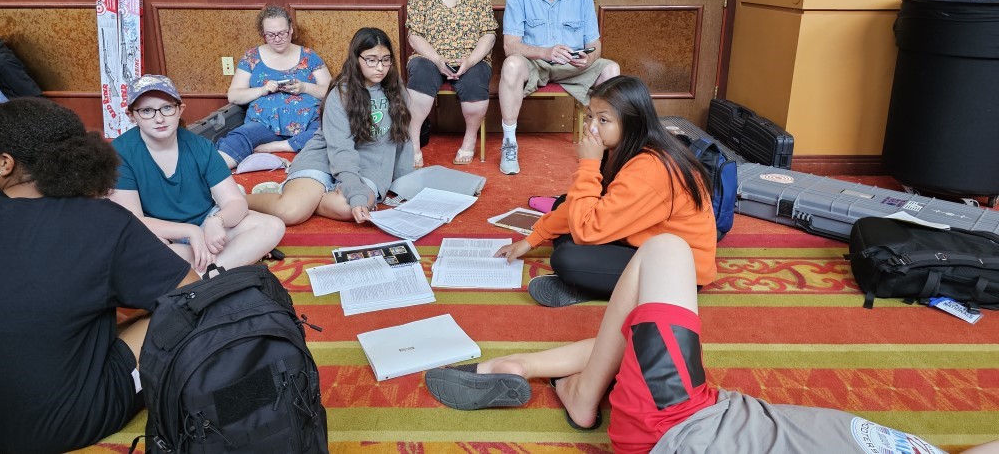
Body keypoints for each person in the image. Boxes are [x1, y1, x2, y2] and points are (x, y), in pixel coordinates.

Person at [426, 234, 998, 454]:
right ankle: (539, 370)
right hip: (705, 407)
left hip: (681, 422)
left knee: (664, 252)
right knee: (627, 333)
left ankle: (574, 395)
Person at [0, 98, 200, 453]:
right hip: (59, 423)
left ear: (5, 163)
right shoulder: (102, 220)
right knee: (181, 312)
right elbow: (191, 297)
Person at [495, 75, 716, 307]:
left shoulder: (651, 168)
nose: (591, 127)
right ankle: (592, 281)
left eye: (603, 120)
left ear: (631, 122)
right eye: (590, 116)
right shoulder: (624, 147)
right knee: (565, 205)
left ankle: (590, 286)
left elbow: (586, 230)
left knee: (567, 259)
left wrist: (589, 164)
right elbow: (582, 209)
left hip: (679, 271)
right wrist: (532, 240)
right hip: (641, 240)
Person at [109, 74, 285, 273]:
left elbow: (235, 202)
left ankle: (203, 276)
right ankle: (222, 264)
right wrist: (190, 232)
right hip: (161, 234)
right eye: (147, 111)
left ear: (179, 110)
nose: (159, 118)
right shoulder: (120, 152)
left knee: (272, 226)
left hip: (205, 225)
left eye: (167, 108)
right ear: (132, 115)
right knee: (136, 254)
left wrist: (216, 221)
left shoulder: (199, 146)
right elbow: (135, 220)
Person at [246, 27, 413, 225]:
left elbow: (403, 137)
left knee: (347, 208)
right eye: (371, 59)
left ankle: (304, 198)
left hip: (371, 165)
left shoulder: (396, 90)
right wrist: (353, 187)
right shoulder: (340, 93)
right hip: (325, 157)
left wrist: (405, 183)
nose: (380, 67)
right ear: (356, 59)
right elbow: (340, 148)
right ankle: (238, 199)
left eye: (386, 59)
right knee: (291, 212)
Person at [498, 0, 622, 175]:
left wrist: (590, 57)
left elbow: (595, 43)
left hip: (573, 66)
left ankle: (604, 145)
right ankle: (509, 142)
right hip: (536, 64)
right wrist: (546, 52)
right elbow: (510, 45)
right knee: (511, 64)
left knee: (612, 70)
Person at [405, 0, 498, 167]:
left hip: (471, 57)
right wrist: (437, 59)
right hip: (429, 57)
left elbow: (488, 33)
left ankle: (469, 139)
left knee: (475, 82)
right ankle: (413, 141)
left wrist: (471, 60)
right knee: (422, 75)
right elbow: (414, 35)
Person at [215, 5, 334, 169]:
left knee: (327, 134)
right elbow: (234, 95)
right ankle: (209, 173)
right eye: (270, 35)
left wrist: (304, 87)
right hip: (264, 125)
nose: (277, 39)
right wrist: (262, 90)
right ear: (263, 34)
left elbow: (331, 92)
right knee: (238, 138)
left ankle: (279, 146)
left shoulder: (308, 56)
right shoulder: (252, 57)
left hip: (307, 125)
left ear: (291, 29)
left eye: (282, 33)